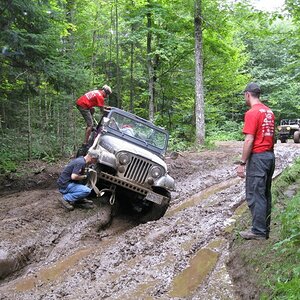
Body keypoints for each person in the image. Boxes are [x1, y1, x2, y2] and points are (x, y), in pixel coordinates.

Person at [237, 82, 275, 240]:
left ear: (247, 94)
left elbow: (249, 140)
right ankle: (263, 228)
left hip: (258, 157)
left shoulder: (252, 113)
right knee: (265, 194)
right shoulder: (269, 112)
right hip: (270, 156)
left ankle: (258, 231)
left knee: (255, 194)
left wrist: (242, 163)